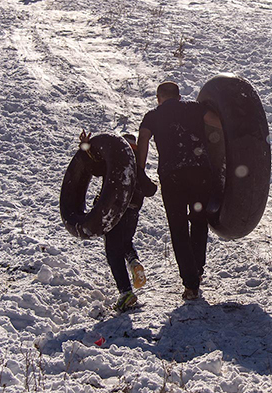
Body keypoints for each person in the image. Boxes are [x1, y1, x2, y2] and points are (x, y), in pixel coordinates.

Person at [136, 82, 222, 301]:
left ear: (159, 98)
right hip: (200, 173)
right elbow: (219, 122)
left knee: (178, 227)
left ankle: (191, 284)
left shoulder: (152, 116)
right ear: (179, 96)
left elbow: (143, 138)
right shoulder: (194, 108)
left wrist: (140, 170)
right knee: (199, 221)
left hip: (172, 176)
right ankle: (197, 270)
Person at [77, 131, 158, 311]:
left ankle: (126, 291)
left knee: (113, 250)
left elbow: (93, 168)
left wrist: (85, 148)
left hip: (114, 211)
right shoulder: (136, 167)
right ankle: (134, 262)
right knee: (125, 242)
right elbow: (150, 189)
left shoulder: (112, 165)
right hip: (132, 212)